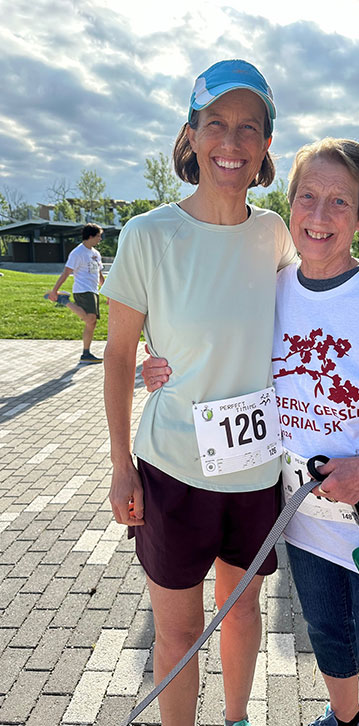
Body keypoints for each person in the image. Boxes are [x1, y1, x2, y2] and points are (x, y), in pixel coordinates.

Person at [142, 138, 359, 726]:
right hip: (305, 521)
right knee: (329, 642)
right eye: (307, 197)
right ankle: (342, 719)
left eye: (339, 202)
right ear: (288, 205)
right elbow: (215, 337)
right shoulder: (274, 286)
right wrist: (160, 361)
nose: (319, 217)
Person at [101, 59, 296, 726]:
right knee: (179, 634)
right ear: (191, 134)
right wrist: (120, 462)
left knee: (241, 612)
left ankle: (237, 719)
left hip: (255, 468)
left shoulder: (276, 234)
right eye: (216, 124)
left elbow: (292, 332)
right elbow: (121, 353)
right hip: (173, 469)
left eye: (249, 128)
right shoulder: (148, 234)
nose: (232, 143)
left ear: (268, 143)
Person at [45, 223, 105, 364]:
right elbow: (66, 272)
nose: (100, 239)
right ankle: (64, 300)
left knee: (92, 323)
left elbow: (100, 275)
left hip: (93, 290)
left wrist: (107, 293)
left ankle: (86, 353)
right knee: (90, 320)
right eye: (98, 236)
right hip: (83, 290)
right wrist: (54, 290)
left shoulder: (96, 254)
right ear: (90, 236)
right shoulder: (78, 253)